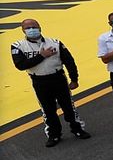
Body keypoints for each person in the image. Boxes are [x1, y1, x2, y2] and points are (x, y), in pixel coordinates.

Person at [11, 19, 91, 147]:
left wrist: (74, 79)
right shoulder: (17, 46)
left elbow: (69, 61)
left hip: (58, 78)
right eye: (28, 27)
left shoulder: (55, 42)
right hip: (39, 81)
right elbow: (21, 65)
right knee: (48, 110)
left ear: (40, 27)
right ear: (23, 30)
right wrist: (42, 55)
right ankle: (54, 135)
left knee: (68, 106)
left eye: (34, 26)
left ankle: (77, 129)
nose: (32, 29)